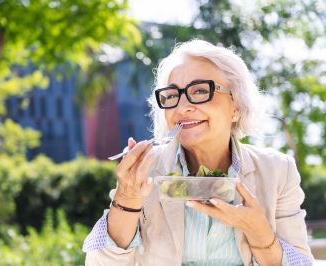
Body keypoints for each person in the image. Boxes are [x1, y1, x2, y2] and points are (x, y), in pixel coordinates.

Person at [82, 40, 314, 265]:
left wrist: (260, 233)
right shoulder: (144, 170)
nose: (182, 107)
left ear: (236, 106)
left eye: (201, 90)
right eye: (172, 96)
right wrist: (126, 201)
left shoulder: (277, 171)